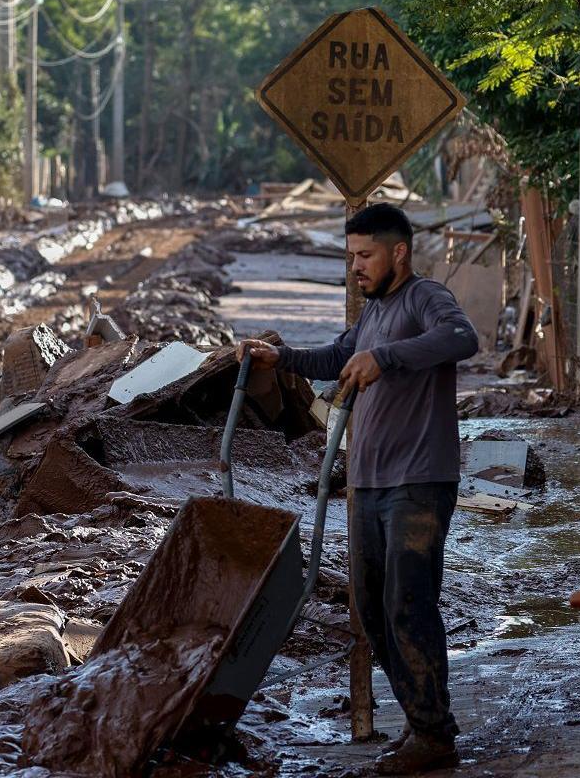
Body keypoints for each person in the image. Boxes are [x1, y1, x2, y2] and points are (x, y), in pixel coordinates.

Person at [236, 202, 478, 774]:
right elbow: (338, 356)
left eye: (365, 256)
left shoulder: (424, 298)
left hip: (418, 480)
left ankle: (432, 735)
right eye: (350, 257)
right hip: (367, 482)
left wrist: (386, 358)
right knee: (371, 610)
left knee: (407, 603)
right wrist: (282, 357)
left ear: (399, 253)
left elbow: (462, 338)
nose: (356, 269)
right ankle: (428, 721)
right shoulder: (371, 315)